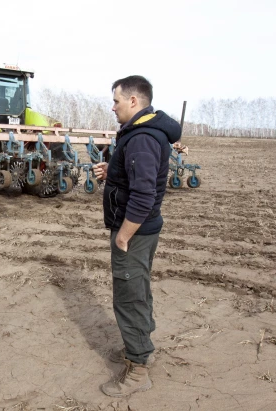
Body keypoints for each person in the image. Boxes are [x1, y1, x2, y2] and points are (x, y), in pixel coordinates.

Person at [92, 75, 181, 397]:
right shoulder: (141, 134)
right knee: (137, 289)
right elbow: (136, 179)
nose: (112, 107)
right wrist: (111, 171)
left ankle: (138, 369)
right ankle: (141, 346)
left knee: (129, 297)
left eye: (116, 100)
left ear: (133, 101)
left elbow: (144, 195)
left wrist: (123, 236)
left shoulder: (142, 138)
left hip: (135, 231)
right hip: (141, 229)